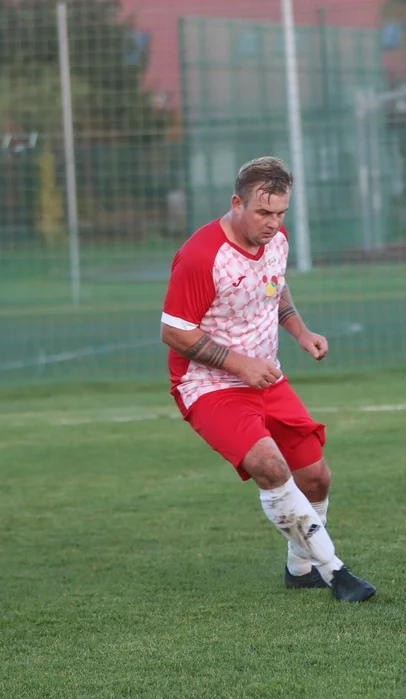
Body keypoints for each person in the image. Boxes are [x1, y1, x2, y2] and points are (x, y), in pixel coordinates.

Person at [160, 156, 375, 602]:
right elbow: (174, 332)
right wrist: (240, 365)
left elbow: (274, 287)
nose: (273, 223)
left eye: (280, 213)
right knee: (270, 467)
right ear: (236, 203)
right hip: (210, 387)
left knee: (316, 477)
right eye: (263, 213)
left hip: (266, 379)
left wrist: (300, 331)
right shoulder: (202, 255)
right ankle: (335, 571)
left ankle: (300, 570)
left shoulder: (276, 241)